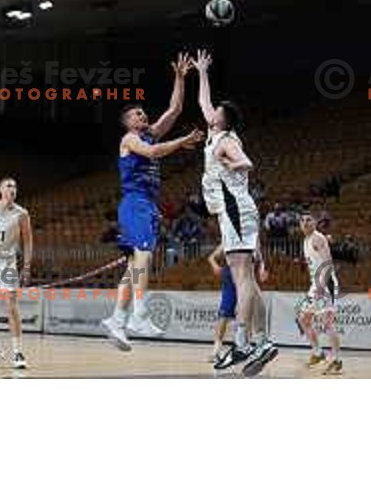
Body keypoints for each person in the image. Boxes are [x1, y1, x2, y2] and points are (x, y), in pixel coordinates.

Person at [101, 52, 203, 351]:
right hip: (135, 202)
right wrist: (183, 142)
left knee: (134, 264)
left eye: (144, 113)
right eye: (137, 115)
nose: (143, 116)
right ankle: (140, 314)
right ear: (127, 123)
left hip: (144, 204)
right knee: (143, 256)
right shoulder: (130, 140)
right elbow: (155, 154)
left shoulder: (150, 134)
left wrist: (180, 78)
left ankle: (117, 320)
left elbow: (174, 109)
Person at [193, 49, 277, 377]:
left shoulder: (225, 140)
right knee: (248, 278)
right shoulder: (216, 133)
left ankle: (241, 342)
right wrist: (201, 71)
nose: (210, 111)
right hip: (238, 211)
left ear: (223, 119)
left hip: (235, 210)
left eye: (217, 111)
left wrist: (234, 162)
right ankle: (262, 340)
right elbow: (203, 101)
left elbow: (247, 162)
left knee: (241, 276)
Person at [0, 177, 33, 370]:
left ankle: (18, 352)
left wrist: (26, 266)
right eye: (8, 185)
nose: (12, 189)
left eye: (15, 186)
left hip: (8, 262)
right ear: (0, 189)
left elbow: (28, 242)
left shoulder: (22, 214)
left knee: (11, 305)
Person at [295, 211, 342, 375]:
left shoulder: (317, 238)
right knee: (303, 318)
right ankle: (318, 352)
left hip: (325, 284)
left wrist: (322, 288)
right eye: (302, 220)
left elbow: (328, 264)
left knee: (328, 322)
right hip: (316, 284)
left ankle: (336, 360)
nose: (305, 222)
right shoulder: (306, 240)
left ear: (314, 222)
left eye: (309, 219)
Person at [207, 244, 237, 363]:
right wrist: (215, 265)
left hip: (244, 276)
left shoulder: (249, 238)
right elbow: (211, 257)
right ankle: (216, 351)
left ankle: (244, 348)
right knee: (223, 317)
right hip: (230, 277)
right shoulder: (227, 240)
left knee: (245, 315)